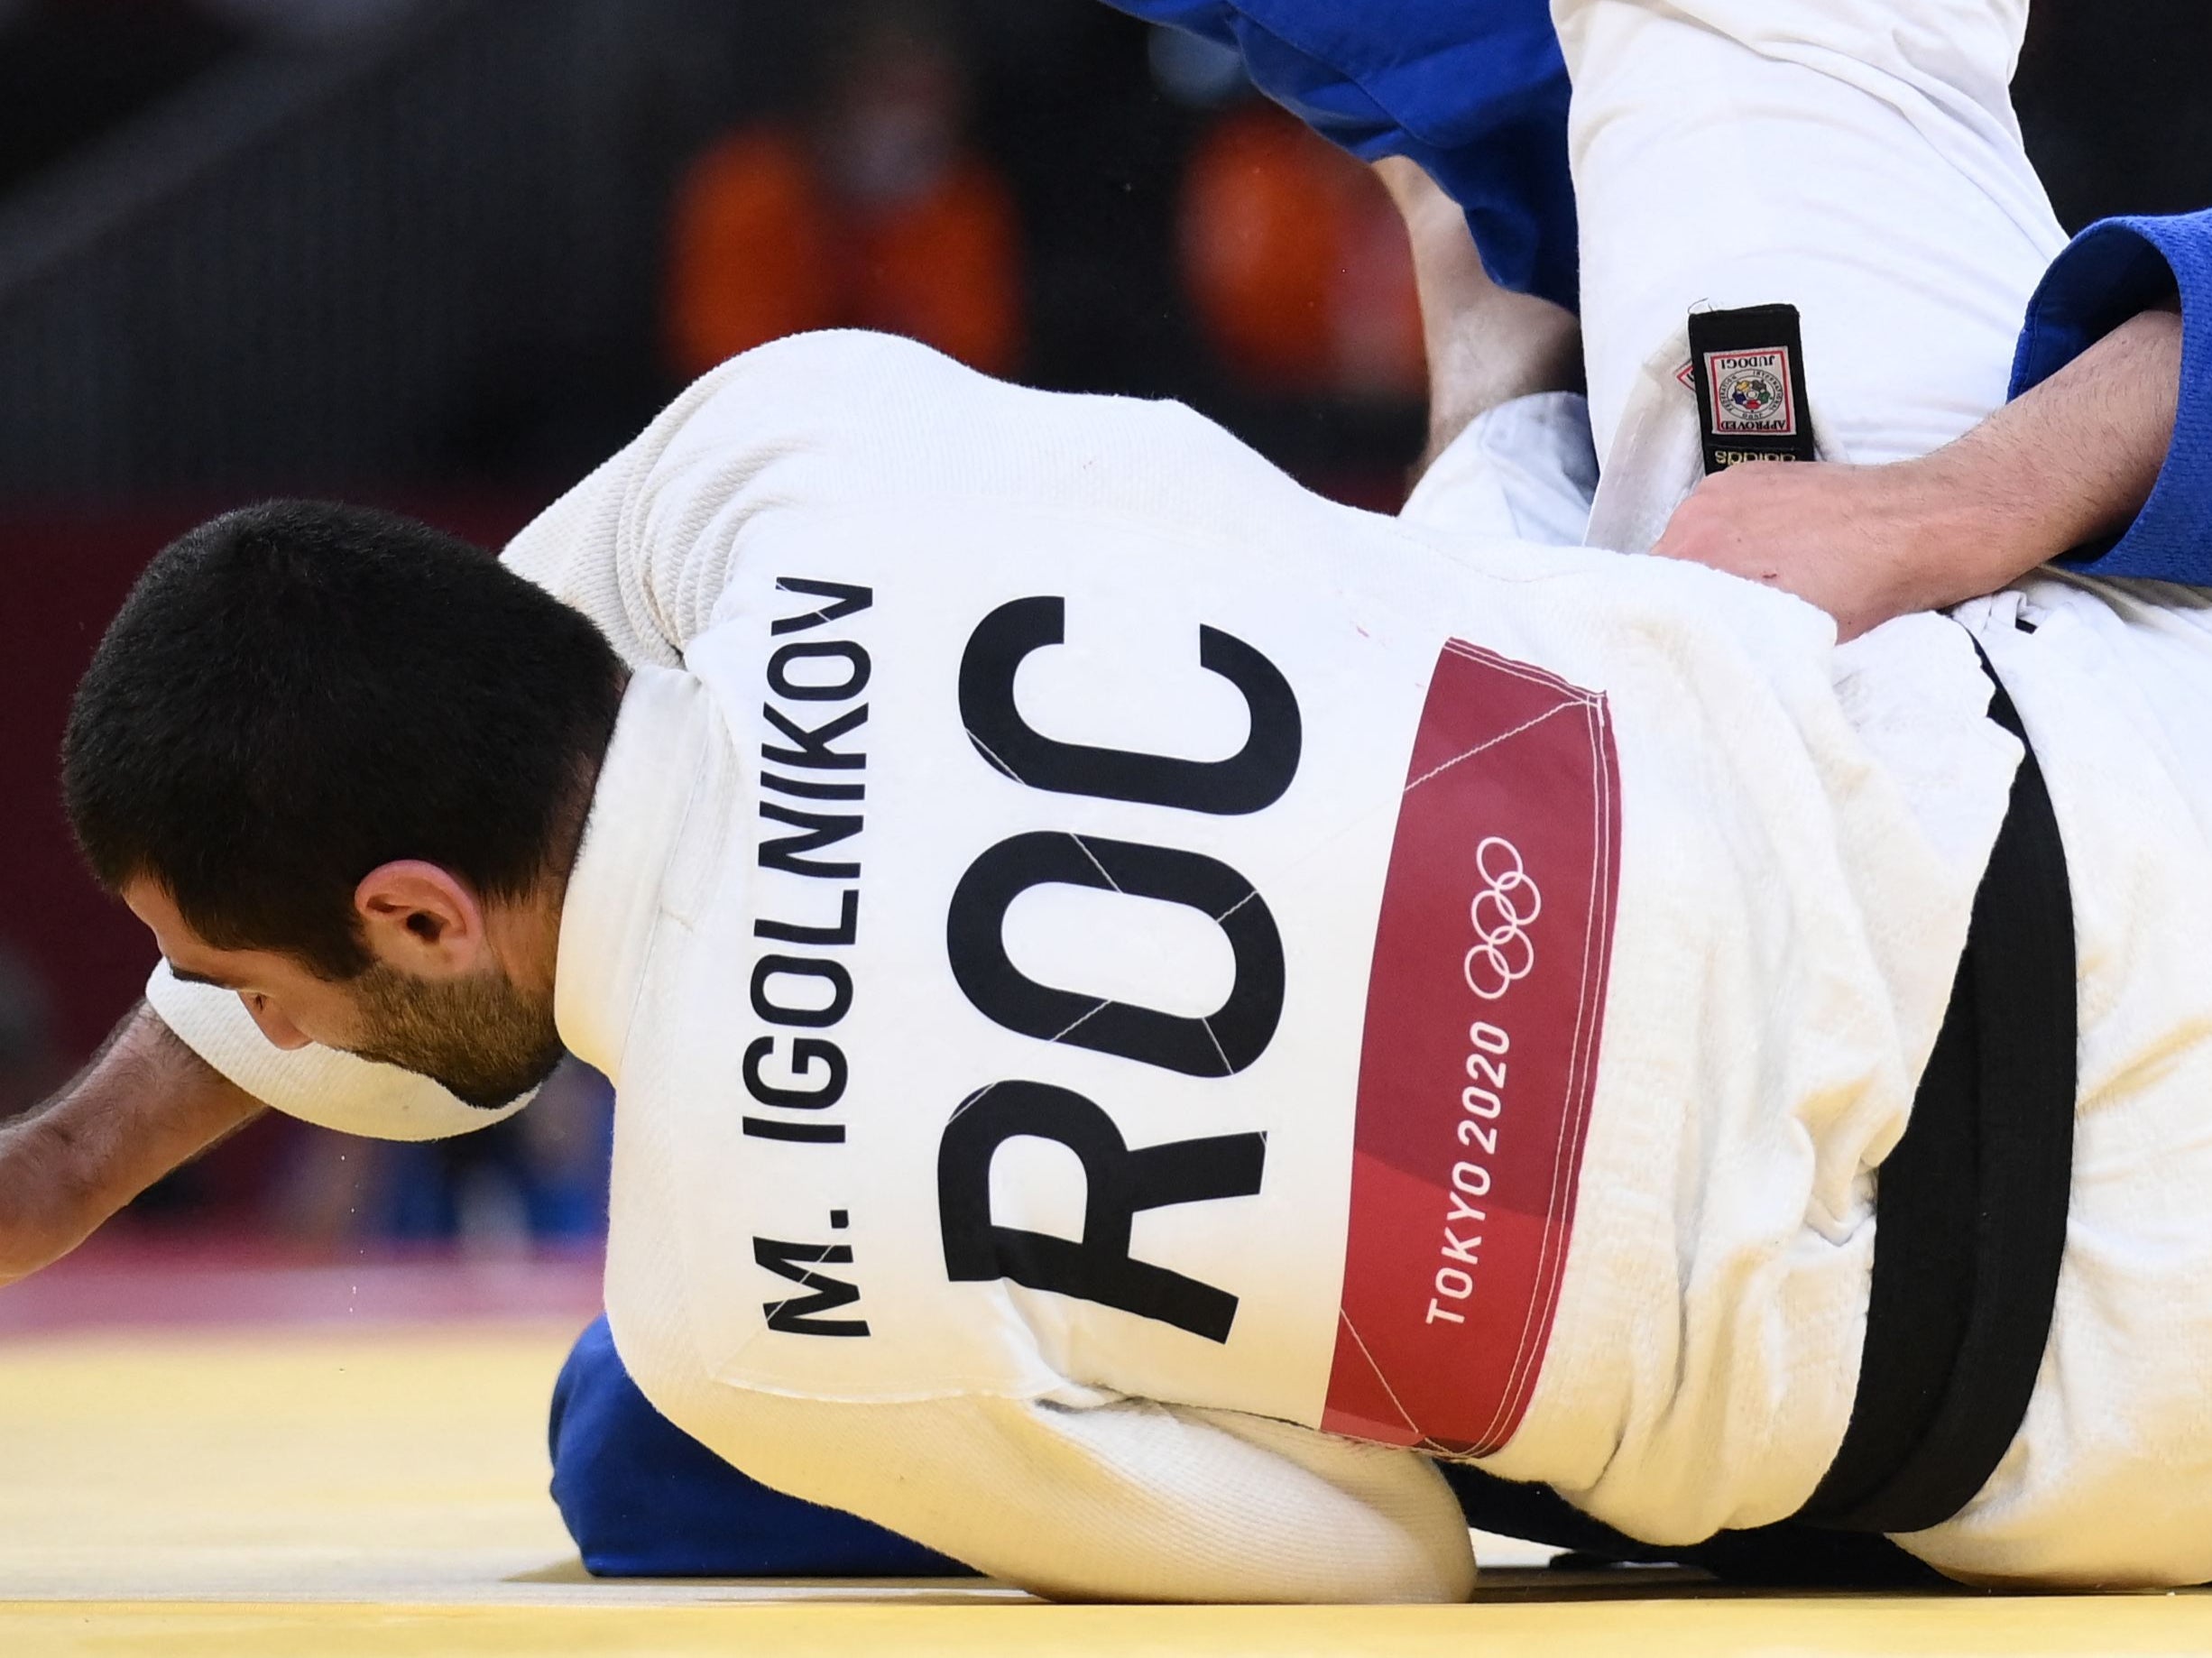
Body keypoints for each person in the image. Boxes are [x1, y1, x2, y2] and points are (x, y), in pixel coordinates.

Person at [8, 0, 2212, 1601]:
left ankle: (1505, 345)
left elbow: (1377, 1555)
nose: (259, 1036)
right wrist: (1929, 512)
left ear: (409, 915)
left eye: (240, 986)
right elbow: (1234, 544)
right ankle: (1505, 310)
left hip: (2089, 1408)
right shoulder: (797, 460)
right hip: (2012, 769)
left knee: (668, 1453)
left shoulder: (744, 1330)